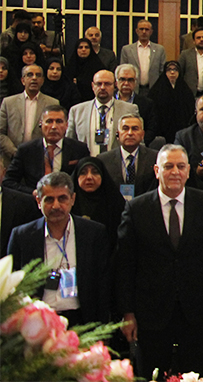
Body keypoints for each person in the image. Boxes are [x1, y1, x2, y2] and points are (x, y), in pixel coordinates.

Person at [116, 144, 203, 380]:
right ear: (157, 170)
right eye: (168, 166)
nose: (175, 172)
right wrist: (128, 312)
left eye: (180, 166)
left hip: (197, 311)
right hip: (151, 313)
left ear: (188, 171)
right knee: (153, 375)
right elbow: (124, 265)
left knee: (197, 375)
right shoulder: (136, 209)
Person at [7, 171, 111, 325]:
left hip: (82, 319)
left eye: (62, 198)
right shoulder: (22, 236)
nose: (56, 206)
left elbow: (103, 284)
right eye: (49, 199)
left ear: (72, 199)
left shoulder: (93, 233)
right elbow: (13, 286)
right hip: (37, 321)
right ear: (38, 201)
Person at [4, 106, 89, 194]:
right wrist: (33, 193)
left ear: (66, 125)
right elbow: (8, 181)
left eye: (59, 121)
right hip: (34, 200)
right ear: (41, 124)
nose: (54, 127)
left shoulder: (79, 149)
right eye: (49, 121)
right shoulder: (26, 150)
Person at [67, 69, 139, 155]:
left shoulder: (129, 109)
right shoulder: (77, 111)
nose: (103, 87)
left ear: (115, 85)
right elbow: (69, 144)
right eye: (99, 84)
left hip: (117, 161)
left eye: (107, 84)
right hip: (88, 161)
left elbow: (137, 140)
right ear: (92, 86)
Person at [0, 63, 58, 153]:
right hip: (11, 156)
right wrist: (15, 152)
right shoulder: (8, 103)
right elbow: (1, 133)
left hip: (41, 156)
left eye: (38, 75)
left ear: (42, 80)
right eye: (30, 75)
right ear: (23, 80)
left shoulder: (52, 103)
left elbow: (55, 132)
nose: (34, 78)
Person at [70, 156, 125, 246]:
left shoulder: (115, 202)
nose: (89, 177)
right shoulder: (68, 203)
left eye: (95, 172)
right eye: (83, 173)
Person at [148, 60, 196, 146]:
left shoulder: (186, 91)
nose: (172, 72)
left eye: (175, 69)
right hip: (162, 130)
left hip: (181, 129)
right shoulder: (156, 91)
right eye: (169, 69)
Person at [67, 38, 103, 102]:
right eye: (80, 47)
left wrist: (79, 82)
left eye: (86, 47)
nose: (83, 50)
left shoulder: (98, 66)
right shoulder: (70, 66)